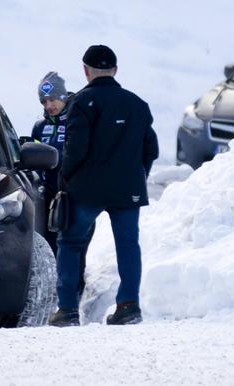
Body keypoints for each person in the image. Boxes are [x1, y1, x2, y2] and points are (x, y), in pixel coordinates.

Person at [49, 45, 159, 327]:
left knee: (70, 243)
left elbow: (76, 149)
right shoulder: (138, 104)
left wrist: (65, 178)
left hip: (86, 189)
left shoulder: (81, 103)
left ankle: (68, 310)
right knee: (127, 245)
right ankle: (128, 306)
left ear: (85, 71)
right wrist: (137, 176)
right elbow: (151, 148)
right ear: (116, 70)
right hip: (127, 189)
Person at [31, 71, 93, 299]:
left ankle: (75, 293)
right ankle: (54, 294)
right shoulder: (39, 127)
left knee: (76, 245)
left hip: (74, 193)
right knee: (51, 246)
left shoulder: (78, 119)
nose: (49, 105)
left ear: (64, 96)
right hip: (48, 197)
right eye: (44, 101)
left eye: (52, 100)